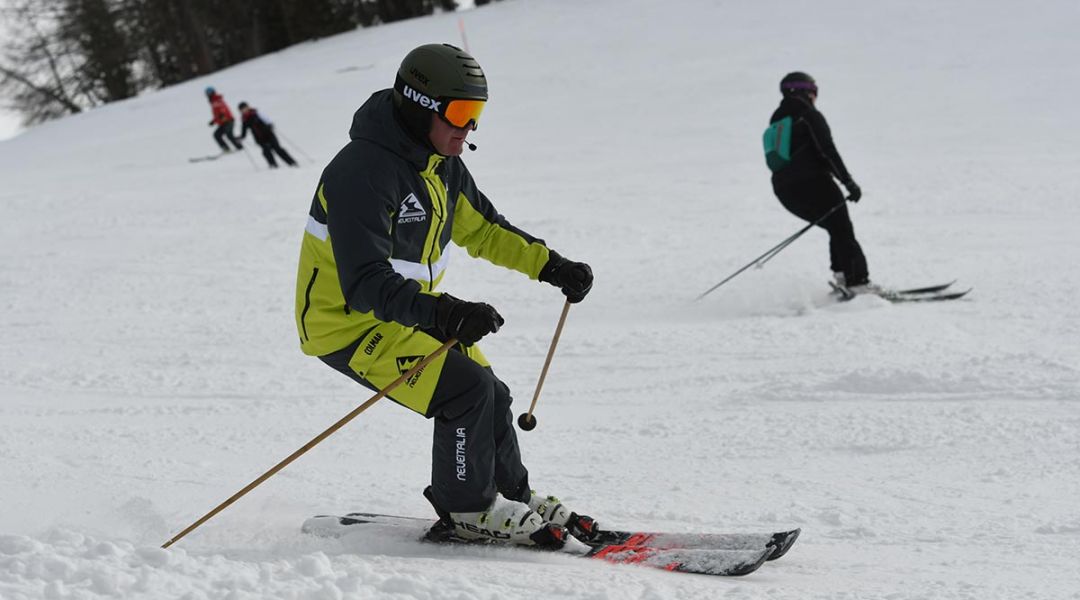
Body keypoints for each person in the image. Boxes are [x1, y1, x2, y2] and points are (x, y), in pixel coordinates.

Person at [293, 44, 595, 548]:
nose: (468, 128)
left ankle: (507, 491)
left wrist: (552, 266)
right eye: (459, 113)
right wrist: (444, 311)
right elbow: (364, 281)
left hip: (405, 313)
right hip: (347, 323)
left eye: (476, 116)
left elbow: (486, 231)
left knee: (491, 391)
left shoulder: (441, 165)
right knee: (465, 391)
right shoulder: (361, 172)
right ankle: (467, 507)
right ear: (417, 105)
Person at [767, 72, 873, 291]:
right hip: (814, 183)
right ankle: (857, 283)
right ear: (808, 92)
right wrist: (848, 183)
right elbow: (827, 151)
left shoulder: (777, 120)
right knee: (842, 228)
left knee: (836, 227)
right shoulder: (809, 115)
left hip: (784, 189)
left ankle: (843, 277)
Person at [237, 102, 298, 168]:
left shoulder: (256, 113)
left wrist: (270, 125)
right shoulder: (244, 119)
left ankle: (292, 162)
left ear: (248, 107)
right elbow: (244, 131)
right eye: (242, 109)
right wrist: (241, 137)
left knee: (277, 149)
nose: (244, 110)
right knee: (266, 150)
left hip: (268, 134)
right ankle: (273, 165)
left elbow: (267, 119)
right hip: (259, 138)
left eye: (245, 108)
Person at [205, 87, 243, 152]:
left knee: (229, 134)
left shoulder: (217, 99)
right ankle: (226, 149)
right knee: (217, 135)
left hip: (228, 121)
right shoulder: (213, 101)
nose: (208, 95)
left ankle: (240, 148)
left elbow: (223, 108)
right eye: (207, 93)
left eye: (209, 93)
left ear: (213, 92)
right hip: (223, 122)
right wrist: (213, 121)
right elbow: (217, 114)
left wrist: (223, 115)